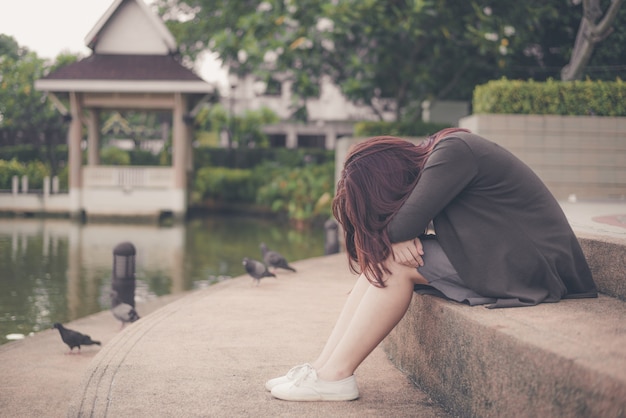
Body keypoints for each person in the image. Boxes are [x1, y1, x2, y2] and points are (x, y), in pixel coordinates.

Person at [266, 128, 597, 402]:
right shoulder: (445, 151)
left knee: (393, 265)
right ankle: (322, 368)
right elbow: (402, 225)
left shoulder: (453, 151)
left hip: (532, 265)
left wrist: (399, 233)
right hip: (503, 252)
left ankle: (336, 375)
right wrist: (399, 233)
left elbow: (400, 227)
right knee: (382, 261)